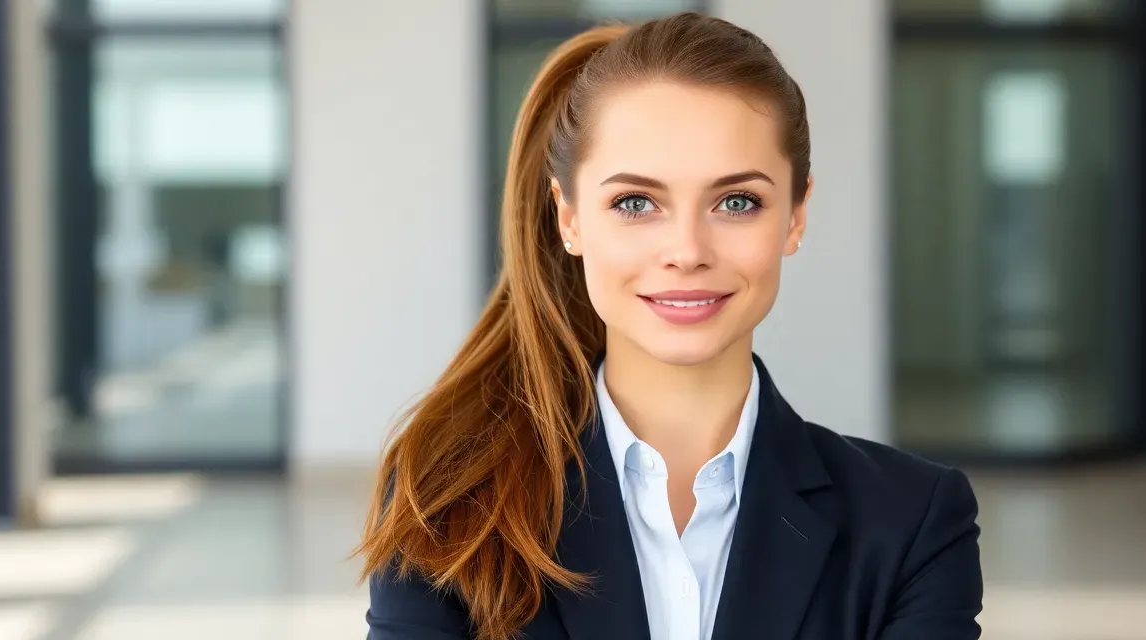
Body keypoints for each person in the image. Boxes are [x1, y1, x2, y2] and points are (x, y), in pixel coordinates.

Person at [359, 12, 982, 640]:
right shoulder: (447, 502)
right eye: (635, 203)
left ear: (795, 215)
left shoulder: (914, 523)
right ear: (568, 218)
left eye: (736, 202)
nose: (687, 250)